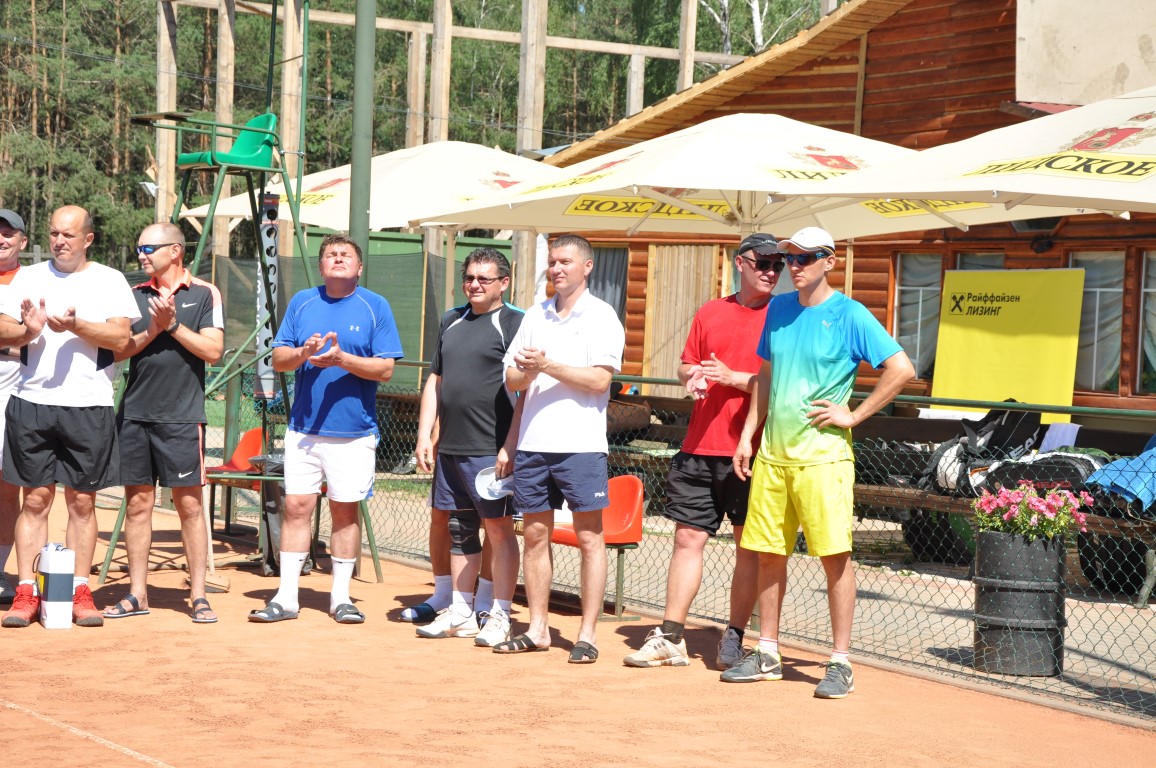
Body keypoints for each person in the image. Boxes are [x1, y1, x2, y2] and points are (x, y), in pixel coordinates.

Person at [726, 226, 914, 697]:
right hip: (773, 458)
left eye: (805, 257)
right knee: (769, 556)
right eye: (789, 257)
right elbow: (766, 375)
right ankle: (767, 652)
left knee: (835, 559)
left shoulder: (851, 314)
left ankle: (841, 662)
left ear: (830, 261)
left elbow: (901, 369)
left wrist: (854, 415)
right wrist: (748, 436)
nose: (794, 266)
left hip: (824, 461)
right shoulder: (779, 309)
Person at [624, 233, 780, 670]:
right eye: (763, 263)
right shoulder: (711, 310)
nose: (772, 272)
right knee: (687, 538)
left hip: (754, 450)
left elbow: (783, 383)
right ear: (740, 263)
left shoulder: (784, 316)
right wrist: (691, 376)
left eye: (778, 265)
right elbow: (686, 364)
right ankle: (671, 636)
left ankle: (734, 636)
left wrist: (733, 378)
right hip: (699, 445)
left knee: (748, 547)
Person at [250, 234, 403, 624]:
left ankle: (341, 598)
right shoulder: (302, 302)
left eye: (345, 254)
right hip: (304, 430)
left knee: (345, 511)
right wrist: (303, 352)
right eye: (330, 254)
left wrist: (341, 359)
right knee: (296, 507)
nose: (337, 258)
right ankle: (286, 597)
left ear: (359, 267)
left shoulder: (376, 306)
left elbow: (386, 369)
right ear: (321, 266)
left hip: (354, 433)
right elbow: (279, 359)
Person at [0, 205, 139, 628]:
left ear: (88, 239)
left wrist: (77, 326)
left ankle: (80, 590)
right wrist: (29, 330)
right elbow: (2, 328)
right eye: (54, 233)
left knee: (81, 501)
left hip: (89, 405)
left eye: (69, 235)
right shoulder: (27, 277)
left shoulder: (109, 279)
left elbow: (121, 337)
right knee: (35, 500)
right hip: (31, 403)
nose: (59, 241)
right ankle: (26, 591)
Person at [494, 234, 624, 663]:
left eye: (565, 261)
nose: (556, 269)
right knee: (534, 535)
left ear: (587, 267)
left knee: (589, 538)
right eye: (552, 262)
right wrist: (529, 372)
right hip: (533, 446)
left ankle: (587, 635)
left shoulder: (602, 316)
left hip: (581, 447)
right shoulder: (535, 315)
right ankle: (537, 629)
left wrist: (547, 365)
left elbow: (600, 380)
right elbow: (512, 380)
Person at [101, 222, 224, 623]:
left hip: (182, 419)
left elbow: (214, 350)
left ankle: (199, 596)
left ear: (175, 251)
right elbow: (120, 351)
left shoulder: (204, 293)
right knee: (138, 504)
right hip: (135, 416)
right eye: (139, 248)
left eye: (148, 248)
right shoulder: (134, 296)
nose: (141, 254)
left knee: (189, 506)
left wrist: (173, 325)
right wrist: (155, 328)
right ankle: (137, 594)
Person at [412, 247, 523, 647]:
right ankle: (461, 610)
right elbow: (436, 380)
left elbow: (526, 389)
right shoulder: (451, 320)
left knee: (498, 529)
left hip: (491, 449)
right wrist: (425, 434)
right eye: (469, 277)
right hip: (451, 448)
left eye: (484, 278)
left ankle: (496, 612)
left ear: (503, 283)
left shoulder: (516, 323)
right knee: (460, 528)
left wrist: (510, 445)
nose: (474, 285)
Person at [0, 209, 27, 604]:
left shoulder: (34, 281)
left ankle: (2, 571)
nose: (1, 239)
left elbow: (38, 341)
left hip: (14, 387)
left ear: (23, 240)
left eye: (8, 233)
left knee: (8, 488)